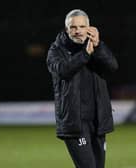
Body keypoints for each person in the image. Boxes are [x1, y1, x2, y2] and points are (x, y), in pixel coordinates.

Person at [46, 9, 118, 168]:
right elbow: (64, 71)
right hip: (75, 123)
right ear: (66, 29)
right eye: (73, 27)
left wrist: (98, 46)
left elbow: (112, 66)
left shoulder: (95, 46)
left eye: (82, 26)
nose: (78, 31)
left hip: (98, 120)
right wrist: (85, 54)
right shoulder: (56, 51)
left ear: (89, 28)